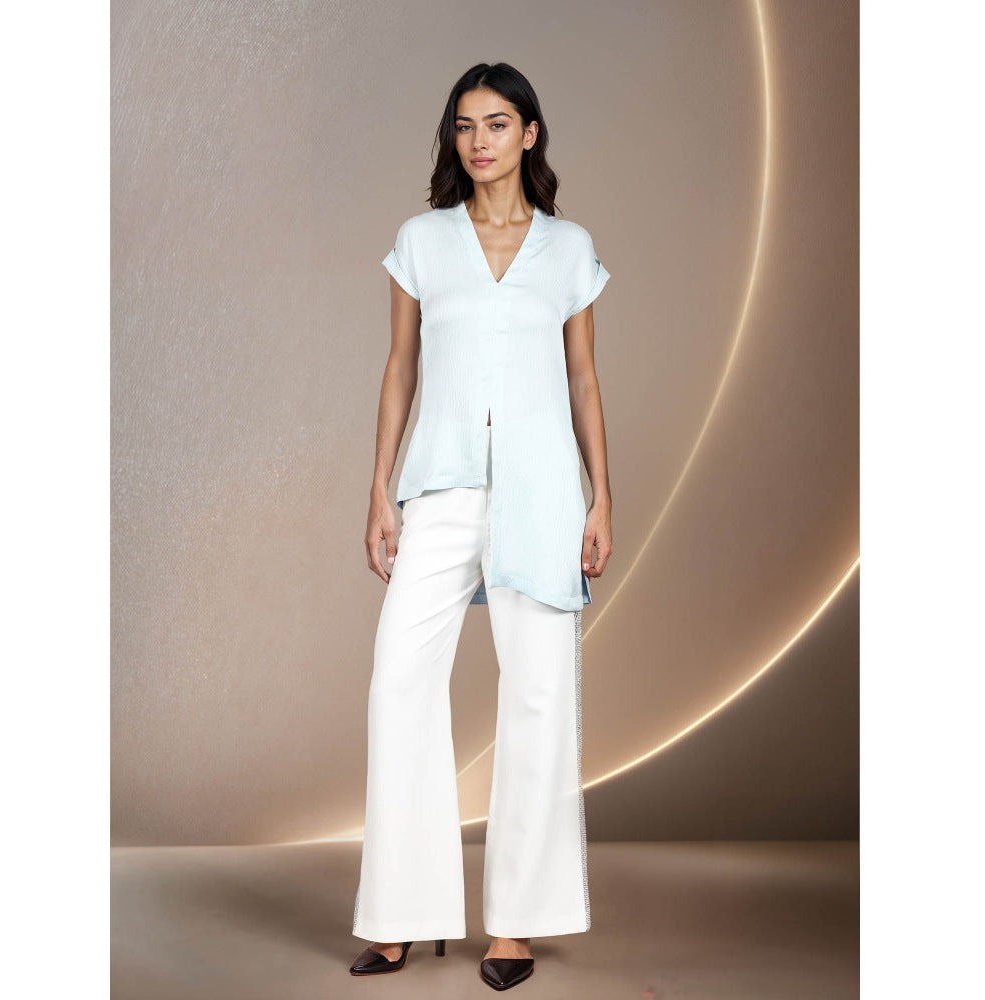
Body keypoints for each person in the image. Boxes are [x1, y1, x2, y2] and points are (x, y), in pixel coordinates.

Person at [349, 61, 613, 992]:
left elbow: (583, 377)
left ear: (529, 133)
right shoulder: (422, 241)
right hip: (443, 485)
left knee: (539, 694)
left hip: (543, 494)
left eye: (497, 124)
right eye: (465, 126)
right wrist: (380, 488)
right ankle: (400, 915)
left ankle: (515, 927)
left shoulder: (569, 249)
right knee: (399, 679)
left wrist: (602, 496)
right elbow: (400, 367)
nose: (479, 141)